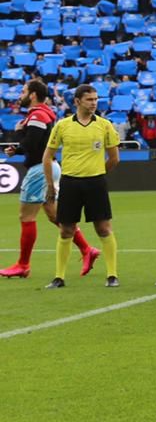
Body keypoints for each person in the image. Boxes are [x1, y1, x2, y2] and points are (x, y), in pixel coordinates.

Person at [0, 80, 97, 280]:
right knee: (54, 215)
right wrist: (17, 149)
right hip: (49, 167)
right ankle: (88, 249)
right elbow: (39, 142)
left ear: (33, 94)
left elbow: (34, 142)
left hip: (39, 169)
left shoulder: (37, 115)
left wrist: (18, 134)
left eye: (24, 91)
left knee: (26, 217)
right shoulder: (43, 113)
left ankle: (23, 265)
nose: (21, 94)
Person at [41, 85, 122, 289]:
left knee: (103, 228)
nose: (94, 103)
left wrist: (97, 173)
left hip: (95, 182)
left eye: (95, 99)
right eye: (89, 99)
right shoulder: (62, 125)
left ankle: (112, 275)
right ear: (77, 102)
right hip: (69, 183)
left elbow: (114, 158)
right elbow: (47, 156)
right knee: (66, 229)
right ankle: (59, 277)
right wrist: (51, 185)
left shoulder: (104, 125)